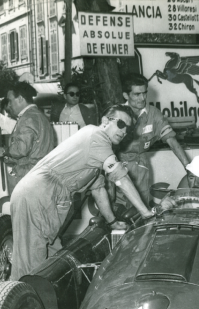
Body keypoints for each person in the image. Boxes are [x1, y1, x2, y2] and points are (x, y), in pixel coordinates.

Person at [10, 104, 155, 280]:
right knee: (30, 271)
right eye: (121, 124)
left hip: (47, 199)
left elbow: (98, 189)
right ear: (105, 121)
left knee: (53, 263)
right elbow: (121, 178)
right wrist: (147, 213)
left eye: (128, 129)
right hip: (37, 195)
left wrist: (112, 222)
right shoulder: (96, 135)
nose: (124, 132)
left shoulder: (98, 147)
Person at [117, 72, 190, 208]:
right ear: (126, 95)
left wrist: (189, 168)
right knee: (118, 210)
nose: (142, 98)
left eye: (144, 93)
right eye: (137, 94)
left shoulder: (153, 114)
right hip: (118, 165)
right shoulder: (116, 114)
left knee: (141, 210)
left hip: (140, 166)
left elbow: (172, 141)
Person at [6, 82, 55, 194]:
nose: (9, 105)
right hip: (39, 176)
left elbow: (21, 149)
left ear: (20, 99)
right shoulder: (40, 116)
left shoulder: (28, 118)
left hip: (27, 177)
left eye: (10, 100)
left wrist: (5, 151)